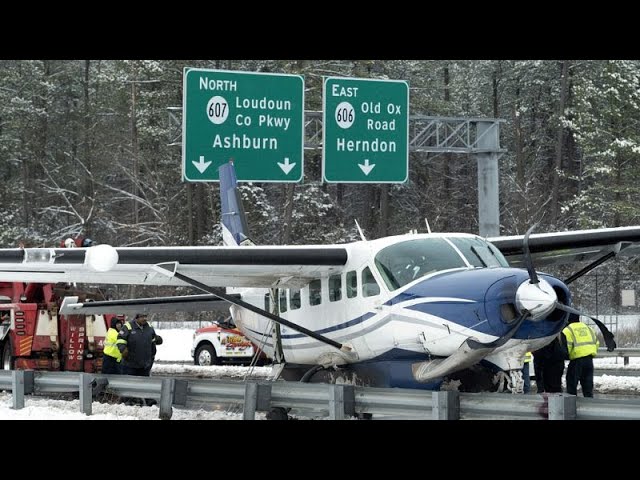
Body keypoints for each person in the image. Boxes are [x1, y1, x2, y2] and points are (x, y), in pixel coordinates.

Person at [562, 315, 599, 397]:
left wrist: (565, 357)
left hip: (577, 361)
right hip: (589, 360)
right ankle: (589, 405)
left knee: (571, 384)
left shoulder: (568, 330)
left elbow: (567, 347)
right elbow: (596, 343)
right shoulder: (588, 328)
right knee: (588, 386)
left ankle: (572, 405)